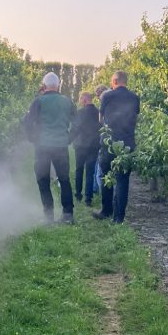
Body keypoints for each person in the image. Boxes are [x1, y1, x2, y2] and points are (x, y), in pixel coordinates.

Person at [23, 71, 76, 224]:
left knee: (43, 179)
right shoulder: (67, 101)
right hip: (60, 146)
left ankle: (48, 216)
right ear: (58, 85)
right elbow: (78, 123)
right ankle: (67, 215)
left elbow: (27, 122)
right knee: (64, 179)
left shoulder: (38, 101)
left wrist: (32, 138)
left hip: (43, 146)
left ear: (44, 86)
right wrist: (69, 138)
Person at [93, 71, 140, 224]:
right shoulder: (134, 97)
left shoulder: (107, 96)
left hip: (109, 142)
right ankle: (119, 217)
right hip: (127, 143)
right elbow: (135, 118)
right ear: (125, 81)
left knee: (106, 176)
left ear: (114, 81)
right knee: (122, 180)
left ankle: (106, 210)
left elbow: (101, 119)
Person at [71, 91, 100, 206]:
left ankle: (78, 195)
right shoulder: (98, 112)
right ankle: (88, 198)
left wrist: (69, 140)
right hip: (93, 145)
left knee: (79, 170)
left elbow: (76, 128)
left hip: (81, 145)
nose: (79, 101)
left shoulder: (80, 113)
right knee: (90, 172)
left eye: (80, 99)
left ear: (84, 99)